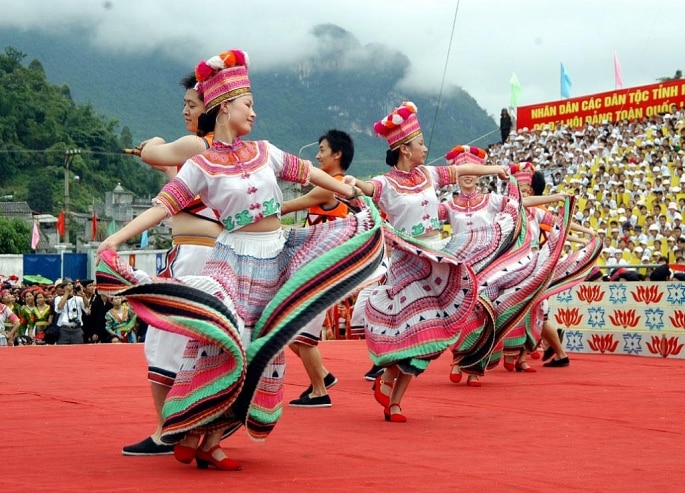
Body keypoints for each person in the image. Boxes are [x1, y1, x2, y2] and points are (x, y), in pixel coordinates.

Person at [97, 49, 383, 470]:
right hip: (233, 259)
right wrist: (115, 239)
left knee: (257, 349)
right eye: (248, 104)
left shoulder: (266, 151)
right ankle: (191, 428)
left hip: (276, 255)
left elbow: (307, 172)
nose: (254, 111)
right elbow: (161, 206)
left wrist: (349, 191)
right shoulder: (200, 163)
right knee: (221, 341)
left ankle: (211, 441)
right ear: (226, 106)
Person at [349, 102, 509, 421]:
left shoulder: (429, 175)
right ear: (405, 149)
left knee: (432, 333)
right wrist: (353, 185)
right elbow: (365, 189)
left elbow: (463, 171)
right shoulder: (387, 184)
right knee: (410, 330)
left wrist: (494, 169)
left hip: (438, 261)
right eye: (420, 143)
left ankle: (394, 394)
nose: (425, 147)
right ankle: (391, 387)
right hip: (408, 265)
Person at [121, 72, 224, 457]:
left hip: (195, 257)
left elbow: (154, 153)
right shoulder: (222, 151)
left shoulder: (198, 143)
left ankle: (168, 431)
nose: (185, 110)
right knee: (197, 342)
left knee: (165, 338)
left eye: (192, 105)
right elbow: (180, 186)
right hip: (209, 257)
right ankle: (199, 426)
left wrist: (155, 144)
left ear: (212, 109)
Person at [281, 129, 356, 408]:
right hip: (318, 269)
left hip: (319, 272)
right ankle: (322, 377)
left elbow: (288, 206)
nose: (317, 154)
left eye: (322, 149)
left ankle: (319, 391)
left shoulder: (329, 185)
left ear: (337, 154)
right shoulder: (334, 185)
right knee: (290, 331)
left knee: (299, 334)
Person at [54, 278, 88, 345]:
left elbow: (87, 308)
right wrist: (66, 293)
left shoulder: (78, 299)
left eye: (71, 285)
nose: (70, 286)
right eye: (68, 285)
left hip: (77, 329)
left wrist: (83, 296)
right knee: (63, 350)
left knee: (78, 350)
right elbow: (59, 308)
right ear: (63, 288)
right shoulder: (58, 298)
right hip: (64, 329)